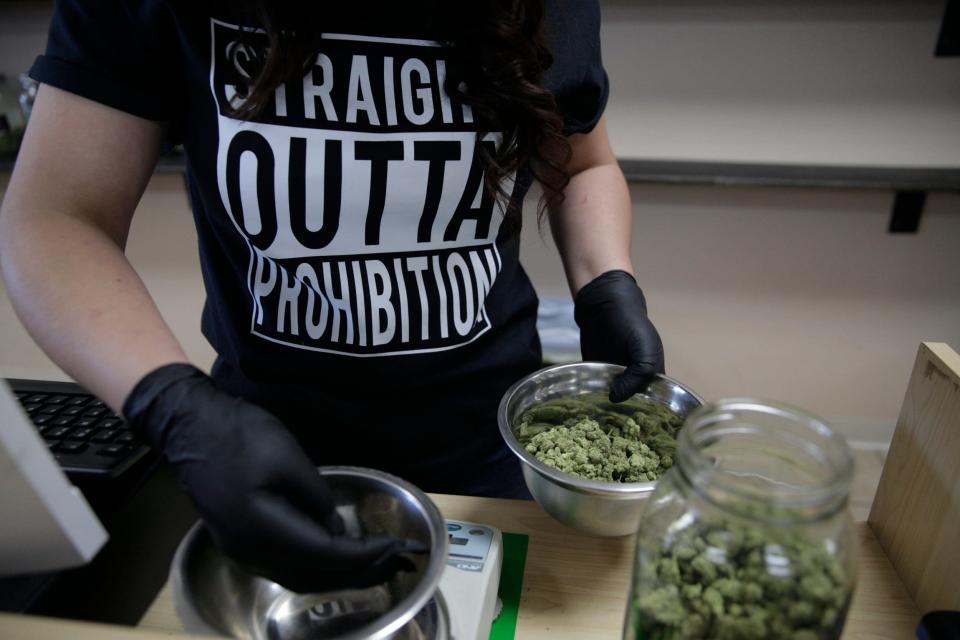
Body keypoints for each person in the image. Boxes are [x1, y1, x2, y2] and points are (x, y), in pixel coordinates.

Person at [0, 1, 664, 593]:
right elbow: (56, 215)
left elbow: (582, 161)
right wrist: (173, 407)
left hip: (490, 452)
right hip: (263, 451)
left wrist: (606, 284)